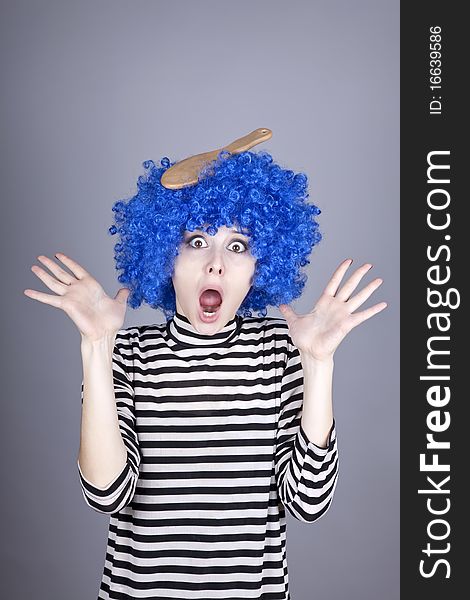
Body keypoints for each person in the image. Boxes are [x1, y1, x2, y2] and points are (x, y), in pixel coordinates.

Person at [24, 148, 387, 599]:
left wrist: (318, 364)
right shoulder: (129, 354)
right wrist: (97, 346)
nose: (216, 263)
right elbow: (107, 494)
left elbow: (308, 503)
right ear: (165, 257)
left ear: (260, 267)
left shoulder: (281, 353)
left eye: (237, 246)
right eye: (197, 241)